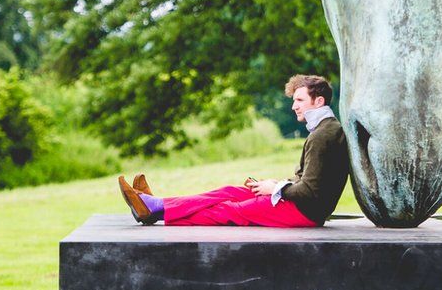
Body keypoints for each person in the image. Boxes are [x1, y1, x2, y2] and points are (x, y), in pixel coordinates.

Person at [118, 74, 349, 227]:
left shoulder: (323, 135)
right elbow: (308, 181)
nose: (293, 106)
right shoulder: (323, 129)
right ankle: (156, 205)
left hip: (303, 212)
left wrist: (276, 188)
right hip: (298, 204)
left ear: (318, 102)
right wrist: (271, 185)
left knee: (228, 210)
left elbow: (311, 192)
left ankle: (155, 210)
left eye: (299, 100)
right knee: (229, 191)